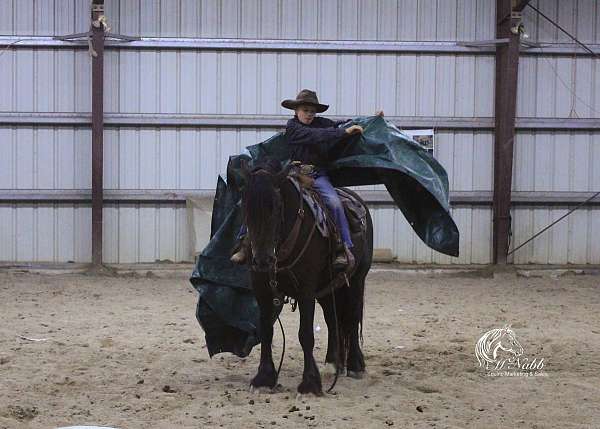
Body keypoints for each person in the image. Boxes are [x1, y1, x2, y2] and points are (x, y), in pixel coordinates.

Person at [231, 89, 384, 271]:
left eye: (312, 111)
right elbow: (318, 136)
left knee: (334, 203)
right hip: (293, 173)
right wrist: (343, 133)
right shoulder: (293, 127)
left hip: (318, 175)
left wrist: (371, 120)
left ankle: (342, 246)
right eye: (305, 110)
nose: (309, 114)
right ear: (296, 111)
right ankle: (244, 242)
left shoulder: (323, 124)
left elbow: (345, 124)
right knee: (261, 200)